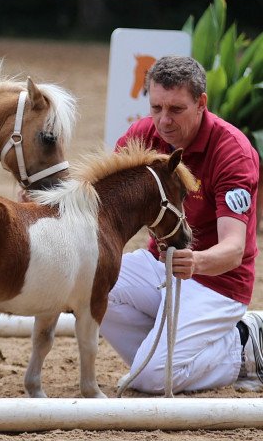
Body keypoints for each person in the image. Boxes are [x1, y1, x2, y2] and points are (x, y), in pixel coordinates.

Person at [99, 55, 262, 393]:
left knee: (149, 377)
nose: (163, 121)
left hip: (217, 283)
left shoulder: (233, 152)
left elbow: (233, 250)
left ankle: (244, 343)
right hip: (160, 265)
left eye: (176, 109)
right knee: (94, 283)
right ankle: (166, 357)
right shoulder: (143, 134)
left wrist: (197, 261)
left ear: (201, 103)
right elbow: (99, 201)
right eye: (156, 107)